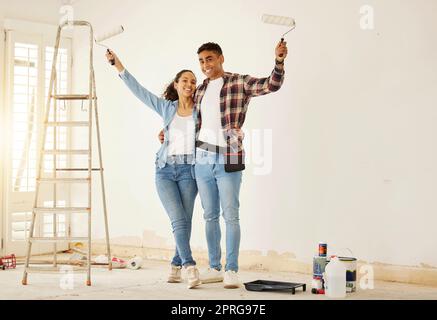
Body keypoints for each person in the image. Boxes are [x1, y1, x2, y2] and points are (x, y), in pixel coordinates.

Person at [159, 41, 288, 289]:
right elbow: (183, 115)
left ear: (220, 59)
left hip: (229, 156)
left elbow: (272, 84)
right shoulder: (199, 90)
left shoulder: (240, 82)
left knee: (231, 216)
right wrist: (166, 131)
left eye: (209, 59)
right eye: (201, 61)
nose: (205, 65)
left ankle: (231, 269)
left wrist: (279, 61)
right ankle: (215, 267)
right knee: (209, 216)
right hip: (202, 158)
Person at [106, 50, 201, 289]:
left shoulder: (201, 111)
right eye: (185, 80)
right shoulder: (167, 108)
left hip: (190, 170)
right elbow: (140, 92)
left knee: (185, 221)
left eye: (193, 81)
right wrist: (119, 66)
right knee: (178, 219)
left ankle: (175, 265)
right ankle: (190, 266)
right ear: (176, 85)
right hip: (165, 171)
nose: (189, 84)